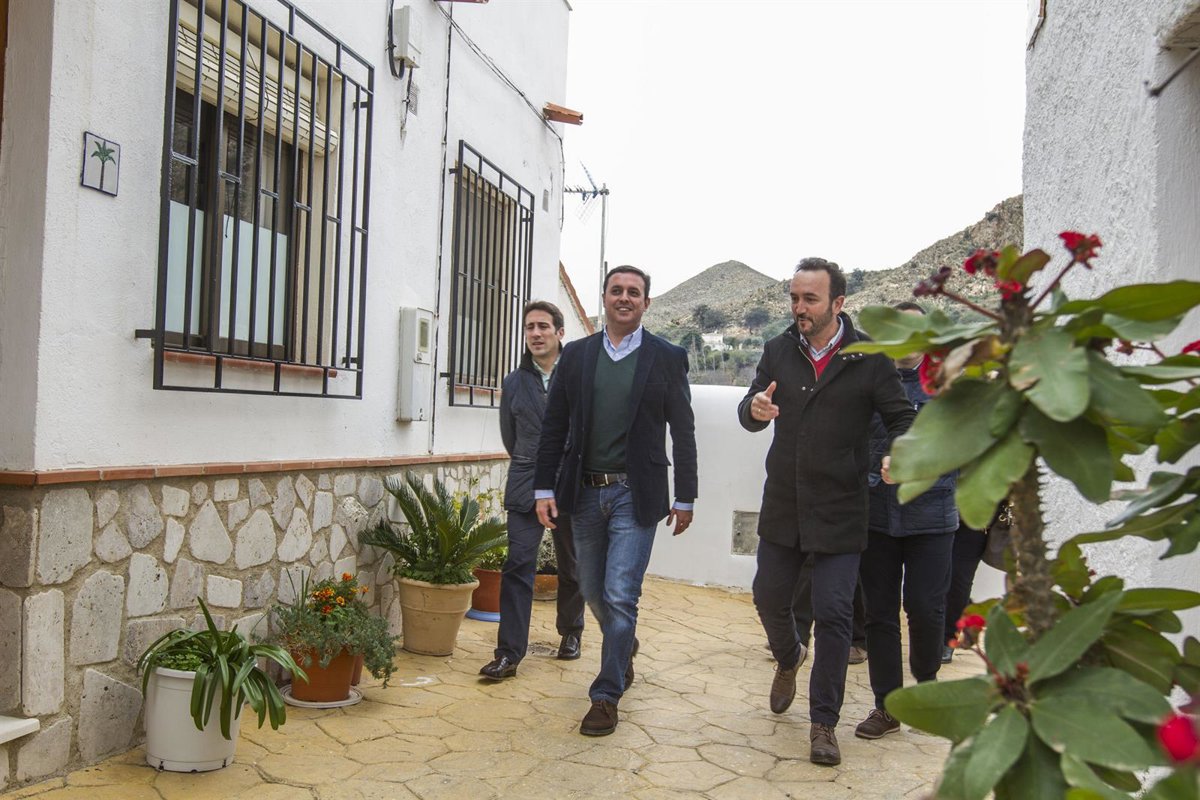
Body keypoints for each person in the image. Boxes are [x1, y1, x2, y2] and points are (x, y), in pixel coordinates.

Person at [738, 257, 914, 767]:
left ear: (838, 303)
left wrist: (899, 452)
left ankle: (823, 724)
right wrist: (754, 409)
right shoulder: (777, 350)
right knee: (768, 598)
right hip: (784, 504)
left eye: (809, 299)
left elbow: (902, 418)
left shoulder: (870, 358)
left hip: (841, 510)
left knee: (835, 616)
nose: (799, 308)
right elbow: (751, 408)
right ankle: (790, 654)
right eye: (794, 298)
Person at [534, 265, 698, 737]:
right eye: (616, 290)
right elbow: (554, 426)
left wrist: (686, 496)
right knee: (591, 590)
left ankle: (605, 696)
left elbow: (683, 429)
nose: (624, 297)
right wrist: (543, 488)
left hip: (636, 494)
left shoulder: (667, 357)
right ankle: (623, 647)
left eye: (634, 292)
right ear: (604, 297)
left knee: (621, 594)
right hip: (584, 492)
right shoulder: (577, 355)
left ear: (646, 302)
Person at [854, 301, 959, 740]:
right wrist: (871, 470)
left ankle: (928, 689)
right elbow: (852, 441)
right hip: (877, 517)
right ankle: (887, 706)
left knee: (925, 608)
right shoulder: (868, 377)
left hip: (932, 518)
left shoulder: (949, 383)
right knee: (879, 614)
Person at [479, 301, 586, 681]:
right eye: (529, 327)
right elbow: (510, 437)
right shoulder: (513, 382)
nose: (536, 333)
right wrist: (532, 464)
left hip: (571, 483)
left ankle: (571, 631)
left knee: (572, 565)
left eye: (543, 326)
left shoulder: (579, 376)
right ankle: (508, 654)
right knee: (518, 565)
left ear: (560, 332)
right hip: (526, 483)